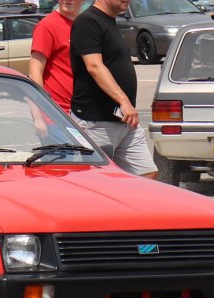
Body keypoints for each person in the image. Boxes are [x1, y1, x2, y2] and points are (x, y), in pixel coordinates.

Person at [70, 0, 158, 179]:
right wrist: (123, 101)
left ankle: (125, 206)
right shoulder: (87, 21)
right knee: (95, 181)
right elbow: (94, 66)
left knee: (147, 174)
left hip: (124, 121)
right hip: (96, 121)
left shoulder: (110, 21)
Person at [29, 0, 83, 113]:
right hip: (58, 113)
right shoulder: (47, 26)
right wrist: (38, 115)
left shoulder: (86, 24)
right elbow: (35, 73)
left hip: (83, 112)